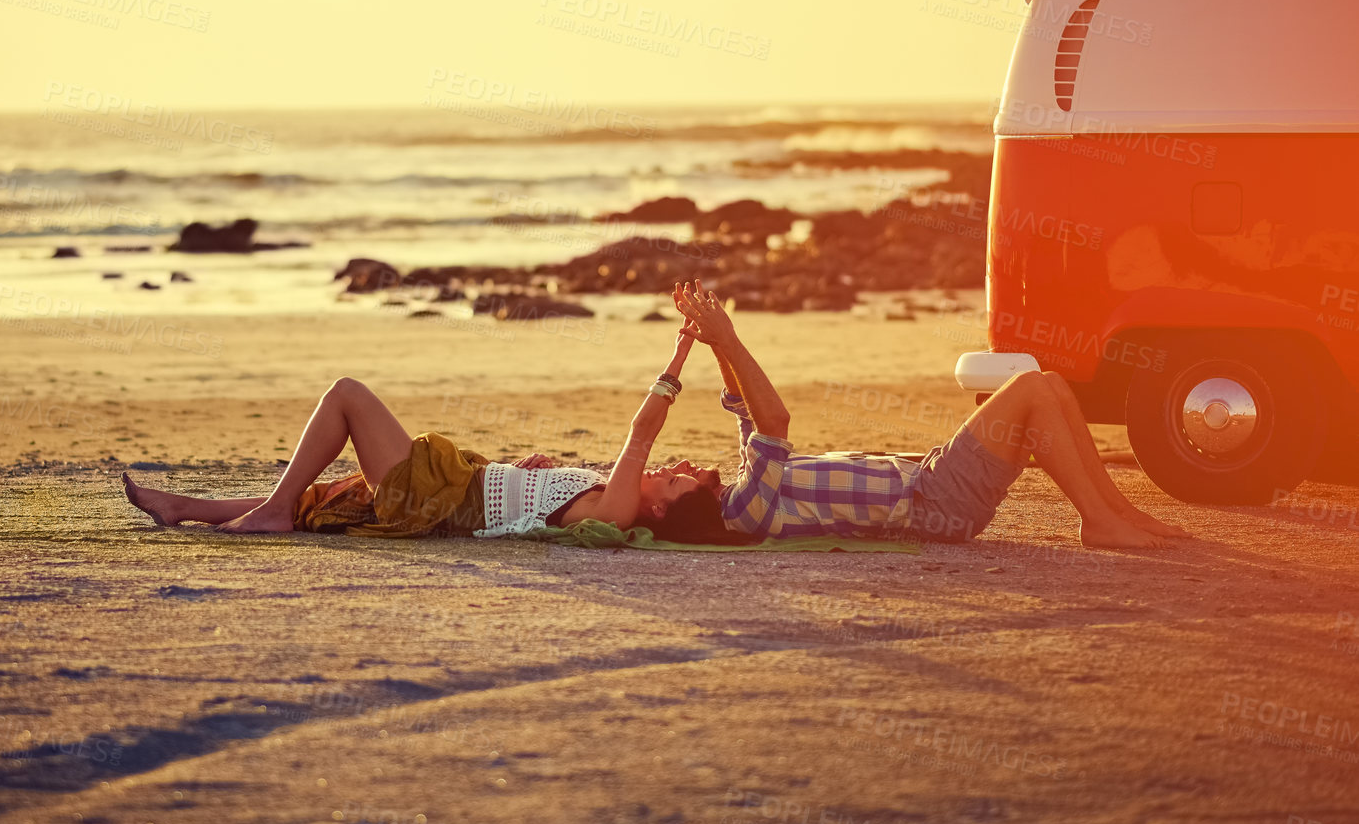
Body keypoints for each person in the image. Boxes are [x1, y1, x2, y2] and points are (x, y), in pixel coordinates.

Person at [671, 280, 1189, 549]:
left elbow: (746, 409)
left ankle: (1116, 510)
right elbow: (774, 422)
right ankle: (1098, 521)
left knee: (1049, 384)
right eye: (673, 481)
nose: (679, 468)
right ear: (681, 510)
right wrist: (731, 339)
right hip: (935, 501)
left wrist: (716, 343)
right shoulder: (741, 512)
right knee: (1031, 387)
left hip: (930, 477)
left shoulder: (748, 486)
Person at [122, 327, 752, 542]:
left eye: (669, 478)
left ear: (661, 505)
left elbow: (642, 432)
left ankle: (274, 510)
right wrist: (534, 477)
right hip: (455, 486)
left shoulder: (618, 508)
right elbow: (540, 511)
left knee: (347, 394)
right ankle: (185, 509)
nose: (662, 467)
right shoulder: (601, 499)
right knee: (326, 497)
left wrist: (682, 350)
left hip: (442, 498)